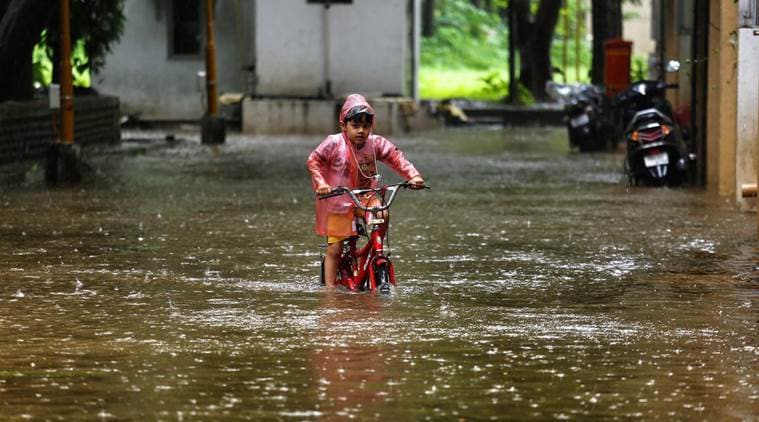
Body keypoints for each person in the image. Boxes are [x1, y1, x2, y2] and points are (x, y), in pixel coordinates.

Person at [306, 94, 425, 289]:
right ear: (343, 125)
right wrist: (321, 184)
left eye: (366, 126)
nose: (361, 131)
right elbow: (314, 161)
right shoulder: (333, 143)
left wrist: (413, 176)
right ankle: (329, 293)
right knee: (335, 249)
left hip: (366, 197)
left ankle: (377, 253)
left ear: (372, 126)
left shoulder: (376, 143)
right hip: (338, 200)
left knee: (382, 213)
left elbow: (397, 158)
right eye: (355, 125)